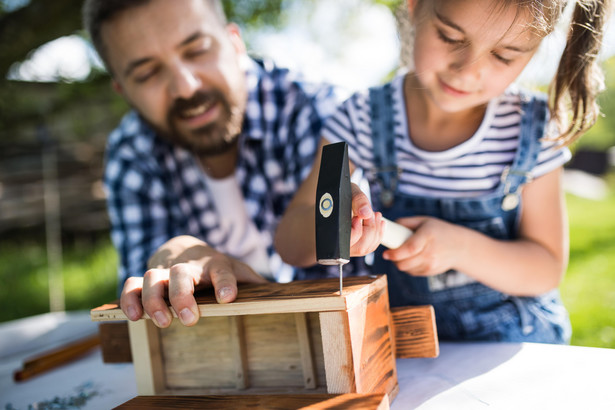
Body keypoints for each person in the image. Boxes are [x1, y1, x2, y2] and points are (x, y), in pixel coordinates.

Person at [275, 0, 610, 343]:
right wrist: (334, 224)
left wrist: (460, 249)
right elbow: (288, 242)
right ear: (414, 6)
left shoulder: (534, 127)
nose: (467, 70)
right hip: (413, 350)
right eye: (450, 37)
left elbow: (546, 268)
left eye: (504, 56)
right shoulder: (361, 117)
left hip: (515, 347)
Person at [82, 0, 366, 328]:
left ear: (235, 42)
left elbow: (354, 286)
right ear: (124, 92)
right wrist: (169, 259)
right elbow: (139, 314)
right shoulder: (132, 154)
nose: (186, 86)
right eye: (147, 73)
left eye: (197, 49)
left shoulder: (322, 116)